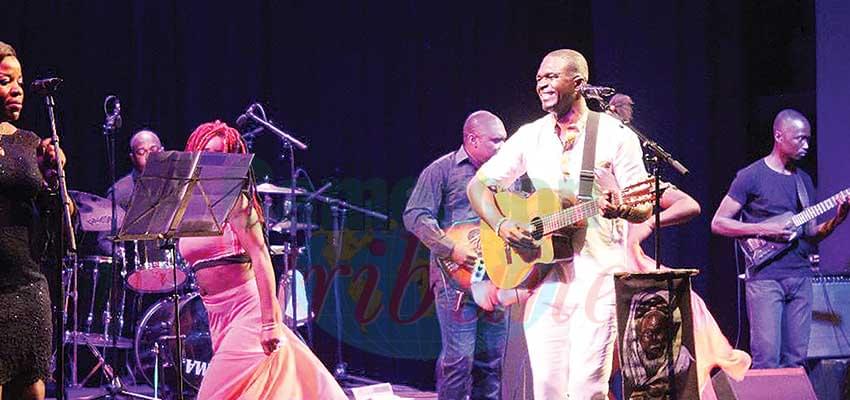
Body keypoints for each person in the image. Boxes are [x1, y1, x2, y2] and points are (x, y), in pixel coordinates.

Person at [467, 49, 652, 399]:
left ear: (578, 83)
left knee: (587, 386)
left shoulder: (615, 136)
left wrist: (622, 210)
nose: (542, 84)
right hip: (545, 276)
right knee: (548, 387)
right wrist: (502, 224)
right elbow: (478, 185)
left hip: (598, 273)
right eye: (539, 78)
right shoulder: (530, 135)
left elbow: (642, 204)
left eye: (551, 77)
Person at [177, 120, 346, 399]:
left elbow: (261, 257)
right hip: (216, 314)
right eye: (206, 151)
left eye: (220, 154)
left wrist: (269, 322)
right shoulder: (189, 206)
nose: (212, 159)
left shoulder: (237, 202)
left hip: (248, 310)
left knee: (213, 394)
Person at [604, 93, 751, 395]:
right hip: (594, 269)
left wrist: (646, 223)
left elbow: (690, 205)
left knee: (689, 308)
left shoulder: (634, 183)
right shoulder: (583, 178)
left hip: (627, 266)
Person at [711, 109, 850, 369]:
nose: (806, 145)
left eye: (808, 139)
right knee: (767, 359)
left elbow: (811, 233)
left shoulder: (803, 180)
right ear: (779, 136)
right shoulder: (750, 176)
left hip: (800, 277)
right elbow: (718, 223)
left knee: (796, 361)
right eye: (800, 138)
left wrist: (839, 218)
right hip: (765, 279)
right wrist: (763, 231)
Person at [404, 110, 521, 399]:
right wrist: (451, 248)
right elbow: (415, 215)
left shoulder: (511, 175)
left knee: (491, 362)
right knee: (459, 360)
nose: (503, 147)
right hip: (454, 281)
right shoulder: (442, 170)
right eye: (496, 140)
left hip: (497, 277)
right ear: (472, 139)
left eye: (505, 140)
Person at [0, 40, 69, 400]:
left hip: (28, 289)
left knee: (33, 391)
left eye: (20, 83)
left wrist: (55, 181)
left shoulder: (31, 143)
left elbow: (59, 222)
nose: (16, 90)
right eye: (4, 81)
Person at [95, 129, 163, 255]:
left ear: (162, 151)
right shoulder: (120, 192)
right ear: (132, 158)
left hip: (172, 266)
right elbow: (104, 240)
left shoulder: (175, 185)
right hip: (137, 267)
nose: (149, 156)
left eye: (153, 150)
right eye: (141, 152)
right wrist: (127, 257)